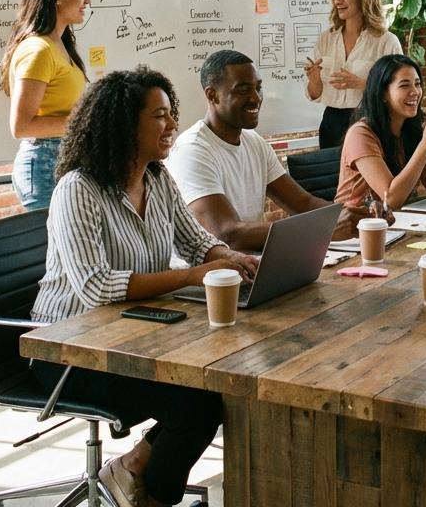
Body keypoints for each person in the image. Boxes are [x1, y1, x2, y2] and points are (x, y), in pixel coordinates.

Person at [31, 67, 258, 507]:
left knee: (219, 386)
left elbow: (197, 242)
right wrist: (192, 276)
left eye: (171, 114)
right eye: (160, 116)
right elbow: (96, 288)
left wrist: (233, 259)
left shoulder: (157, 179)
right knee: (196, 404)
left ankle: (134, 467)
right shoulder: (77, 190)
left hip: (134, 335)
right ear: (124, 124)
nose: (173, 125)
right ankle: (152, 495)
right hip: (67, 352)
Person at [168, 50, 370, 252]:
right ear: (212, 95)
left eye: (258, 88)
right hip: (207, 279)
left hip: (250, 265)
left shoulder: (254, 143)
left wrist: (358, 215)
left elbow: (304, 203)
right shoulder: (192, 150)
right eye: (243, 90)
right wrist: (322, 228)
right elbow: (226, 234)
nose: (255, 98)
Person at [0, 0, 90, 211]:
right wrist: (87, 121)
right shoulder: (38, 50)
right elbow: (21, 126)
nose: (88, 1)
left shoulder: (60, 44)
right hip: (43, 168)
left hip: (62, 161)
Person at [334, 53, 426, 210]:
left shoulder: (411, 128)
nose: (415, 92)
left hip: (397, 220)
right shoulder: (360, 134)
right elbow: (390, 200)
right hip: (358, 226)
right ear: (383, 94)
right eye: (405, 85)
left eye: (417, 83)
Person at [303, 0, 402, 148]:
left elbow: (397, 91)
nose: (338, 0)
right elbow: (314, 94)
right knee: (333, 176)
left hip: (369, 121)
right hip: (331, 123)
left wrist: (361, 83)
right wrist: (315, 80)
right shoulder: (326, 38)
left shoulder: (386, 41)